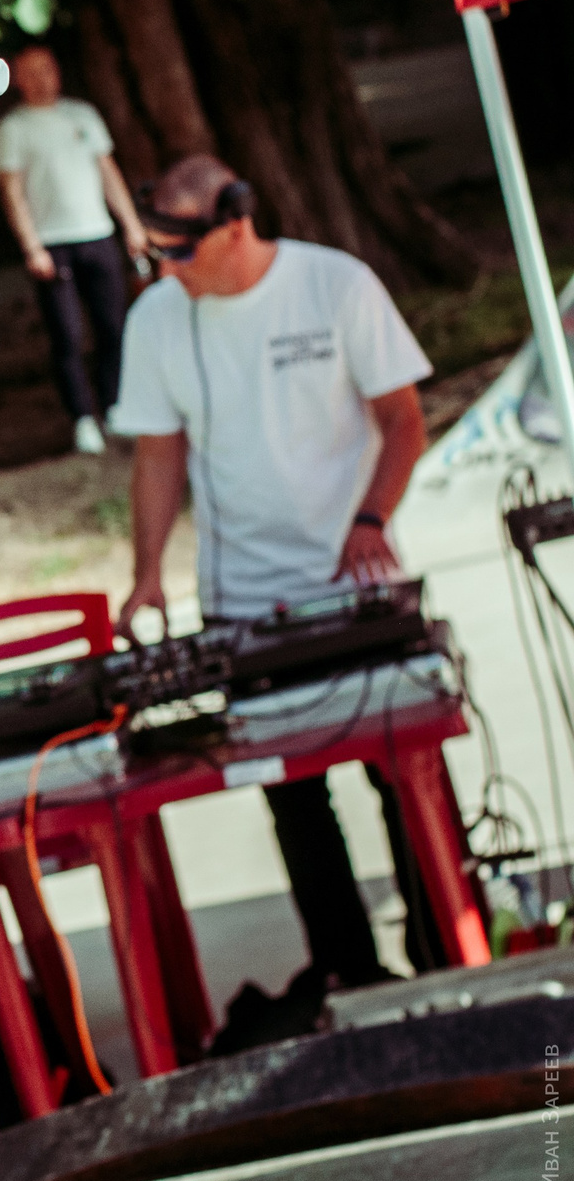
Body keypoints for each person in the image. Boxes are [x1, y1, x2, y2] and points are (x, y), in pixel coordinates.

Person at [110, 153, 440, 997]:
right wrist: (148, 572)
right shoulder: (157, 321)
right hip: (243, 599)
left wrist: (370, 522)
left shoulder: (336, 285)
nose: (165, 271)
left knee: (403, 775)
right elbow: (158, 450)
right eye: (153, 254)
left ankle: (443, 951)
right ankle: (352, 972)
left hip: (354, 588)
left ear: (235, 222)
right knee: (293, 796)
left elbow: (403, 421)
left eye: (177, 253)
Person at [0, 42, 149, 455]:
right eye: (33, 70)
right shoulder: (13, 129)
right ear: (18, 78)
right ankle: (82, 418)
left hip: (97, 233)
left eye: (49, 68)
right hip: (53, 245)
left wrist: (130, 224)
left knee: (113, 326)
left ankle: (114, 408)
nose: (43, 77)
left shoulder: (83, 116)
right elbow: (13, 193)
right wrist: (32, 247)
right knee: (67, 335)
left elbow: (107, 173)